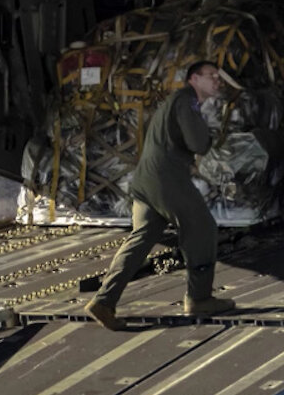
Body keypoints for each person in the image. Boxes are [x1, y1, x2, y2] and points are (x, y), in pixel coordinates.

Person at [85, 60, 236, 331]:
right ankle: (199, 298)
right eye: (211, 76)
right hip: (167, 180)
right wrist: (211, 132)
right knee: (202, 228)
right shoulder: (187, 102)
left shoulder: (176, 102)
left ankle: (103, 301)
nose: (217, 81)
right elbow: (198, 143)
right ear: (194, 79)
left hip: (146, 180)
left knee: (142, 238)